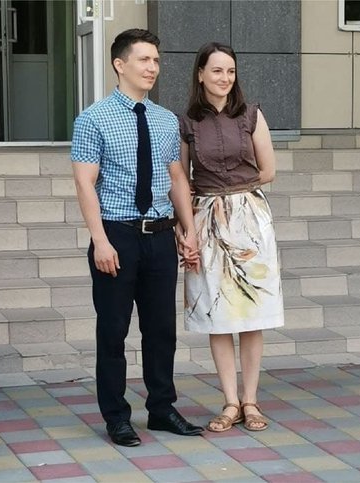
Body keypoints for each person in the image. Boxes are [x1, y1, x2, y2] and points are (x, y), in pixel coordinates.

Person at [71, 28, 203, 447]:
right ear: (119, 64)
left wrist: (189, 230)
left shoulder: (166, 120)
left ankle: (162, 409)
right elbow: (84, 183)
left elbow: (176, 178)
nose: (152, 68)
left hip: (160, 237)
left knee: (161, 330)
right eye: (144, 60)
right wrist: (101, 241)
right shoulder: (92, 118)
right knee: (113, 331)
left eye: (156, 61)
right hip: (118, 236)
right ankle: (117, 417)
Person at [177, 42, 284, 432]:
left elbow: (268, 169)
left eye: (231, 72)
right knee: (218, 314)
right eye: (217, 71)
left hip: (249, 219)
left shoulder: (251, 114)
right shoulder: (186, 121)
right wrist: (185, 228)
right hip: (205, 220)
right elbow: (181, 181)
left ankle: (252, 401)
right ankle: (229, 402)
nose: (225, 78)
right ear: (201, 74)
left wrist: (232, 193)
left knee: (252, 314)